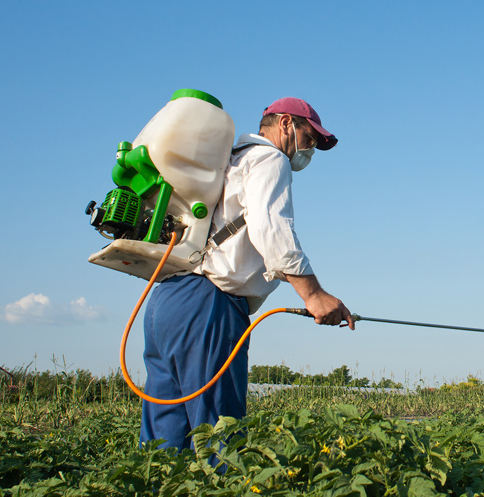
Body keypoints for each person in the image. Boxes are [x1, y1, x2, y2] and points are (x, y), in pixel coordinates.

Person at [140, 96, 354, 450]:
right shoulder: (270, 158)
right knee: (220, 440)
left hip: (167, 300)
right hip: (208, 305)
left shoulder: (229, 160)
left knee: (164, 444)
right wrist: (314, 296)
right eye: (309, 137)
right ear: (285, 123)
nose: (310, 149)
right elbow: (272, 230)